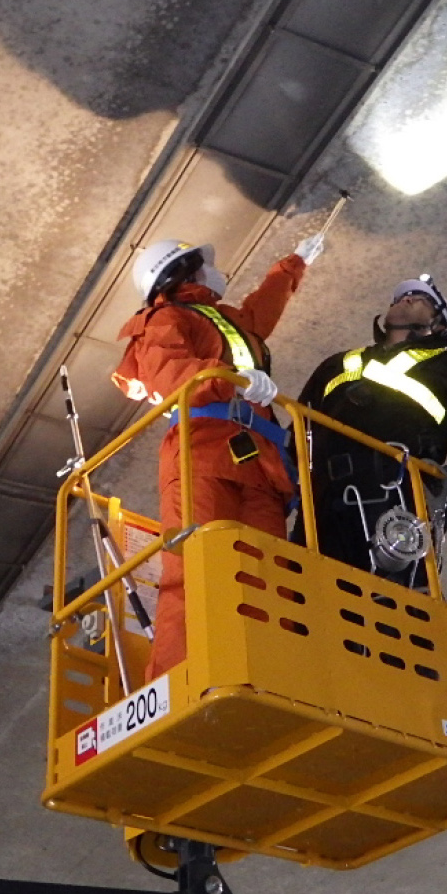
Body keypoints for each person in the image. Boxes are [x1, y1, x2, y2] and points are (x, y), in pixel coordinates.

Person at [112, 233, 323, 678]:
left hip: (257, 465)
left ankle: (273, 677)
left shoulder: (221, 320)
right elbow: (170, 373)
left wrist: (294, 264)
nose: (212, 269)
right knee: (196, 574)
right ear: (181, 273)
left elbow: (258, 313)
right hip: (201, 456)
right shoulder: (164, 319)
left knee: (271, 579)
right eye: (200, 265)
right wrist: (232, 378)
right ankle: (180, 683)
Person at [295, 275, 447, 586]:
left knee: (390, 609)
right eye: (401, 296)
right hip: (322, 504)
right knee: (311, 602)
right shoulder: (337, 365)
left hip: (394, 499)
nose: (405, 298)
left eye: (420, 298)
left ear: (438, 326)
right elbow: (300, 432)